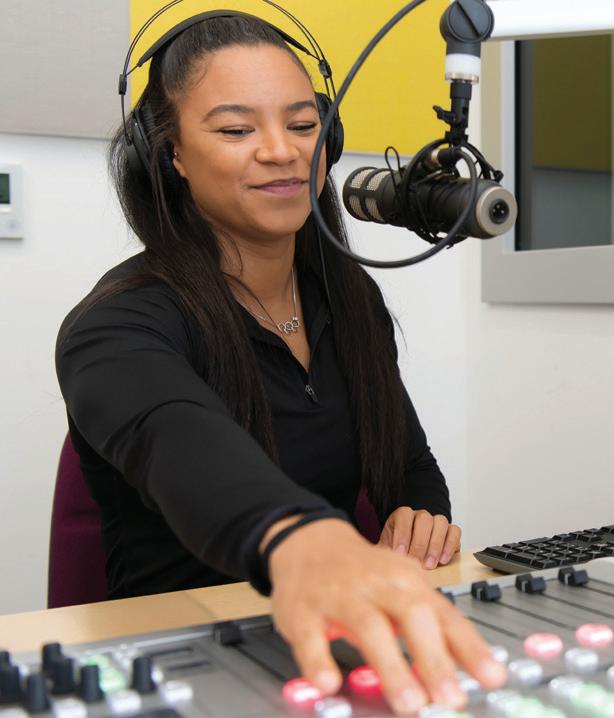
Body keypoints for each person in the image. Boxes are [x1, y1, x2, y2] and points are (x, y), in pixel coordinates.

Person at [55, 13, 505, 715]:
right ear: (170, 154)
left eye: (302, 125)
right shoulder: (116, 326)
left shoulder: (347, 297)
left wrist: (419, 514)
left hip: (330, 643)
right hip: (187, 664)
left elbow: (408, 463)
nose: (281, 151)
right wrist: (304, 542)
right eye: (236, 130)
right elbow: (180, 441)